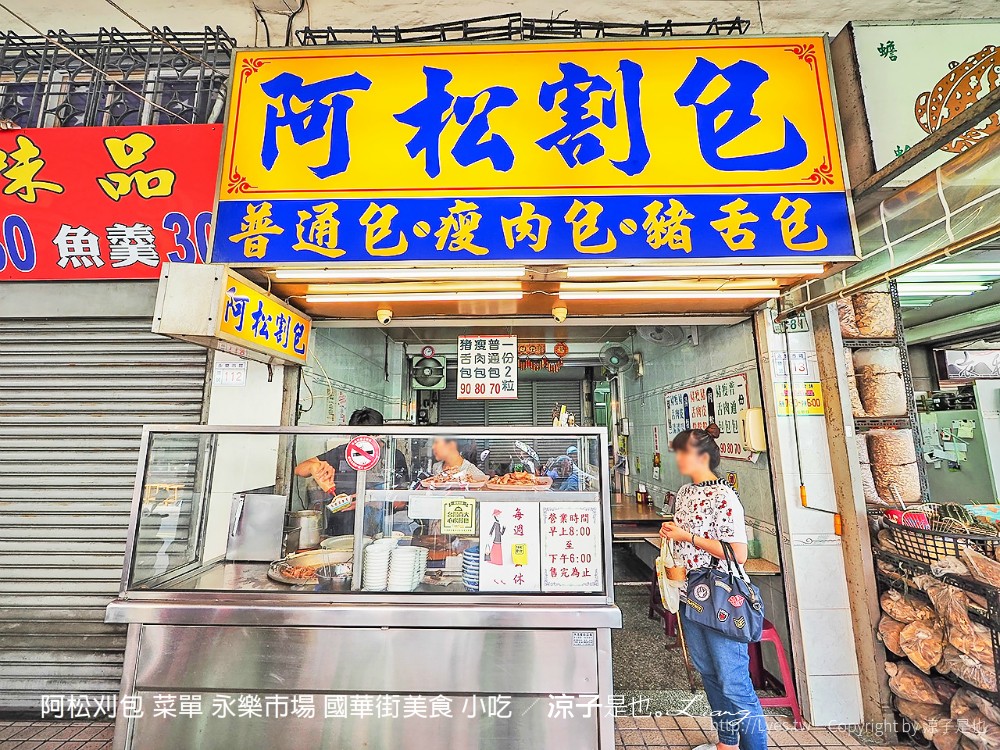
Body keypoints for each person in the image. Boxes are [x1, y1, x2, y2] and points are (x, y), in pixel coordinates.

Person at [659, 424, 765, 750]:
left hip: (722, 597)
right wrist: (673, 535)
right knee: (708, 673)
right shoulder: (685, 492)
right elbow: (685, 537)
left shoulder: (724, 496)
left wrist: (687, 537)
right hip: (690, 593)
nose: (678, 457)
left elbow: (738, 553)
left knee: (734, 682)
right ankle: (727, 743)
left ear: (703, 456)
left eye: (683, 451)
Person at [294, 408, 408, 536]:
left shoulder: (393, 456)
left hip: (380, 531)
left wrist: (367, 501)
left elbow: (401, 502)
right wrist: (314, 467)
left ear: (379, 435)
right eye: (356, 437)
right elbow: (299, 469)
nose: (361, 444)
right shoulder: (343, 452)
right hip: (341, 528)